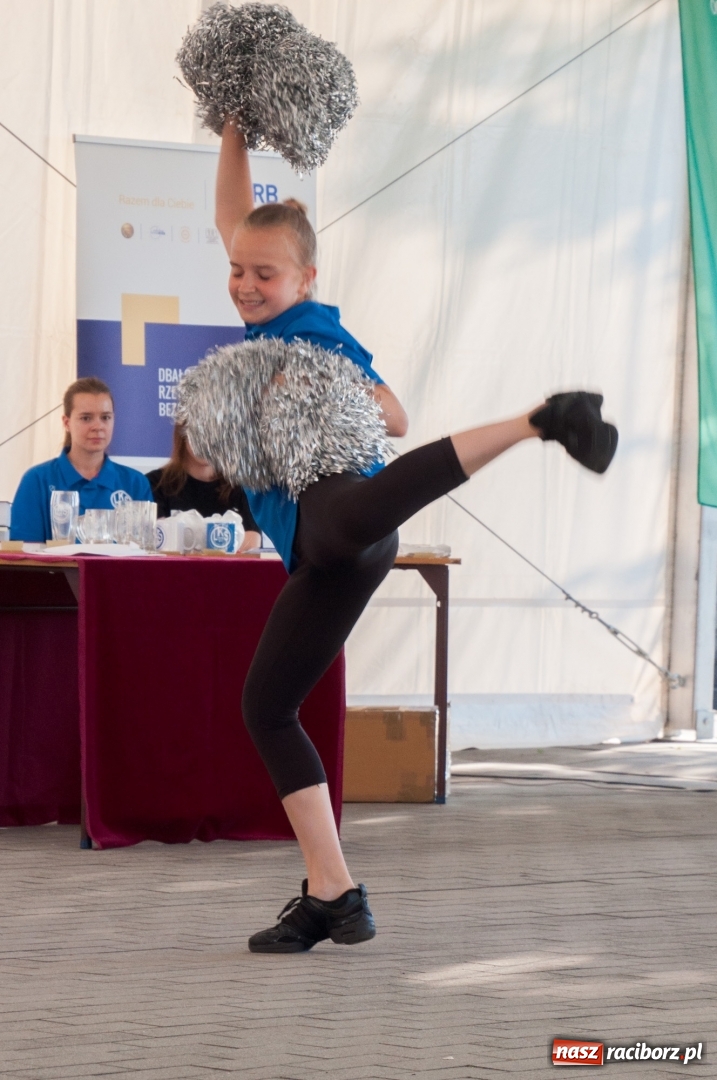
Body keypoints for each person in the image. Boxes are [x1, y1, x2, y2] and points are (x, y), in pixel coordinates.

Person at [213, 122, 617, 954]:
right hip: (328, 549)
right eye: (237, 271)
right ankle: (332, 893)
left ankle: (540, 420)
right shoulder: (265, 313)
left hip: (340, 515)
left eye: (263, 274)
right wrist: (233, 125)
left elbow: (393, 417)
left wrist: (308, 384)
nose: (244, 284)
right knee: (267, 708)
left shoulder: (312, 333)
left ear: (306, 279)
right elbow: (231, 217)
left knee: (347, 522)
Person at [11, 377, 153, 542]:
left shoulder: (135, 483)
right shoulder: (37, 480)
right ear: (67, 423)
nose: (98, 426)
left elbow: (144, 552)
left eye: (105, 417)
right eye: (86, 418)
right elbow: (25, 552)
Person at [146, 423, 261, 551]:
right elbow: (158, 541)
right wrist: (224, 539)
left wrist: (187, 537)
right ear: (182, 432)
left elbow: (252, 542)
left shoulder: (242, 486)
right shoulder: (154, 483)